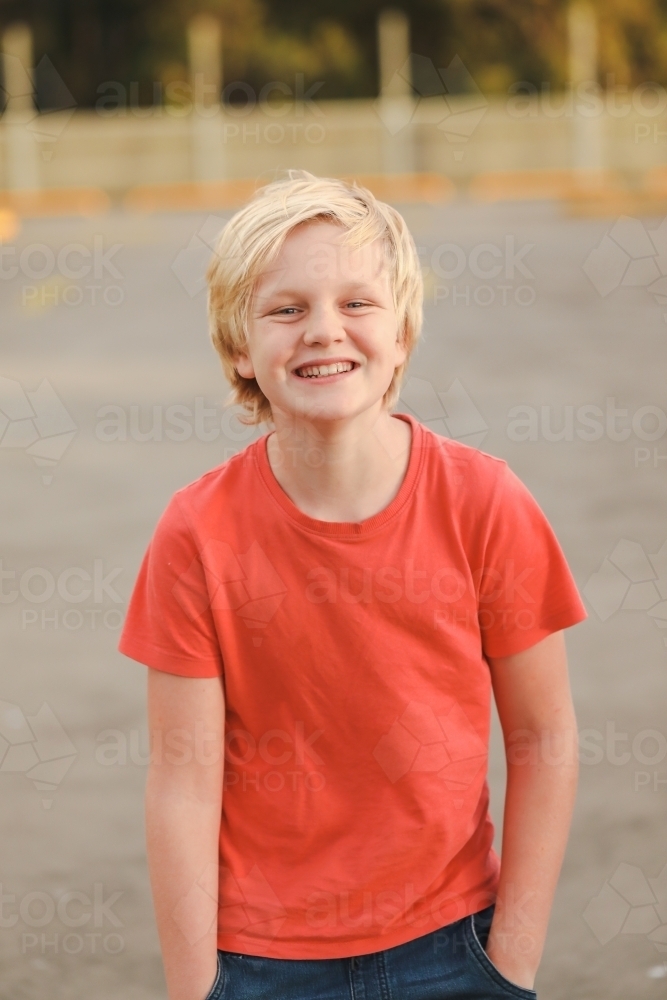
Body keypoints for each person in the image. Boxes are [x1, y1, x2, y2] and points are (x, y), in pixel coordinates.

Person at [119, 172, 587, 1000]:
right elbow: (182, 781)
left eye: (356, 303)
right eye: (285, 309)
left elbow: (543, 738)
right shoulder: (196, 534)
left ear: (400, 334)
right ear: (239, 347)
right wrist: (196, 987)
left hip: (455, 946)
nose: (323, 330)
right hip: (259, 961)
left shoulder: (483, 503)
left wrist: (511, 960)